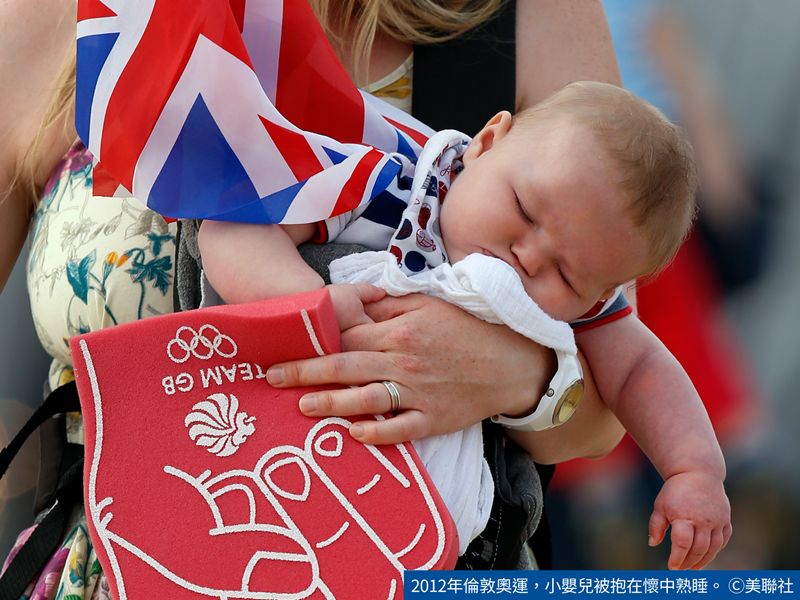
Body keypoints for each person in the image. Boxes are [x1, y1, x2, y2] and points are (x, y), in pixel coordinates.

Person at [0, 0, 632, 596]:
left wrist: (516, 376)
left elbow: (608, 405)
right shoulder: (55, 17)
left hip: (407, 558)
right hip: (120, 563)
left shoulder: (524, 18)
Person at [198, 80, 731, 569]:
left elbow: (639, 366)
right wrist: (307, 302)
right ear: (488, 143)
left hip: (460, 540)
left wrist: (694, 471)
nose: (527, 255)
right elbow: (233, 232)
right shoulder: (385, 185)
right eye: (523, 208)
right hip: (263, 454)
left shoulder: (587, 302)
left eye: (566, 275)